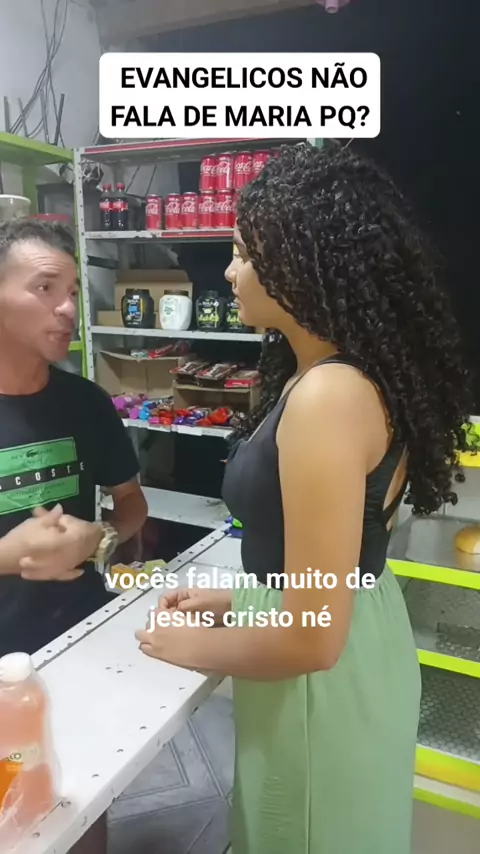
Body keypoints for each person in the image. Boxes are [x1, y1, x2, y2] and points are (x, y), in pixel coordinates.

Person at [135, 142, 477, 854]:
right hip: (354, 635)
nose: (228, 272)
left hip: (323, 677)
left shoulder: (327, 397)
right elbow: (333, 568)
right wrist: (238, 600)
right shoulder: (334, 375)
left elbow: (313, 637)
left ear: (300, 261)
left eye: (242, 253)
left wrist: (193, 646)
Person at [0, 217, 147, 656]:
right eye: (45, 288)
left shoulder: (87, 402)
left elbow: (132, 502)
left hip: (82, 637)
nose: (67, 309)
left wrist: (100, 536)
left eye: (73, 292)